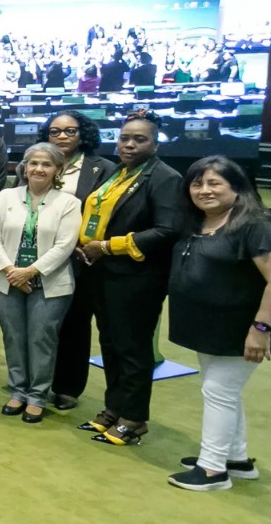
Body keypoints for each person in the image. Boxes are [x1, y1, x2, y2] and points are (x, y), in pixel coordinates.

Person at [165, 156, 271, 491]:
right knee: (224, 392)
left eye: (214, 183)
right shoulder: (200, 222)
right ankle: (236, 459)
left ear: (237, 187)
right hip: (210, 326)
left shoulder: (257, 225)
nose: (204, 191)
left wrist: (261, 330)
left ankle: (212, 469)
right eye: (197, 183)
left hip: (244, 328)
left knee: (219, 390)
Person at [74, 110, 181, 447]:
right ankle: (113, 409)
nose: (130, 145)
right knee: (110, 344)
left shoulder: (164, 178)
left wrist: (108, 246)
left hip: (137, 277)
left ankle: (133, 419)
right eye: (124, 138)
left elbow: (166, 230)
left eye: (140, 139)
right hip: (103, 274)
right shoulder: (118, 172)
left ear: (155, 143)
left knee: (133, 349)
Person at [0, 143, 82, 424]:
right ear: (23, 167)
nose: (39, 169)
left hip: (50, 283)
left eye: (47, 164)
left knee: (41, 339)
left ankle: (37, 396)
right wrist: (10, 270)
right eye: (34, 163)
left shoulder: (69, 203)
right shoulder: (6, 196)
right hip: (7, 279)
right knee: (13, 337)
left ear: (57, 170)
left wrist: (30, 271)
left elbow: (65, 245)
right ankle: (17, 391)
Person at [46, 110, 116, 410]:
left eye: (69, 131)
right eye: (55, 131)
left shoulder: (104, 169)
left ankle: (67, 387)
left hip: (80, 258)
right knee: (40, 322)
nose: (62, 136)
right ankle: (35, 380)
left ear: (83, 134)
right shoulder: (38, 161)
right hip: (39, 255)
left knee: (75, 323)